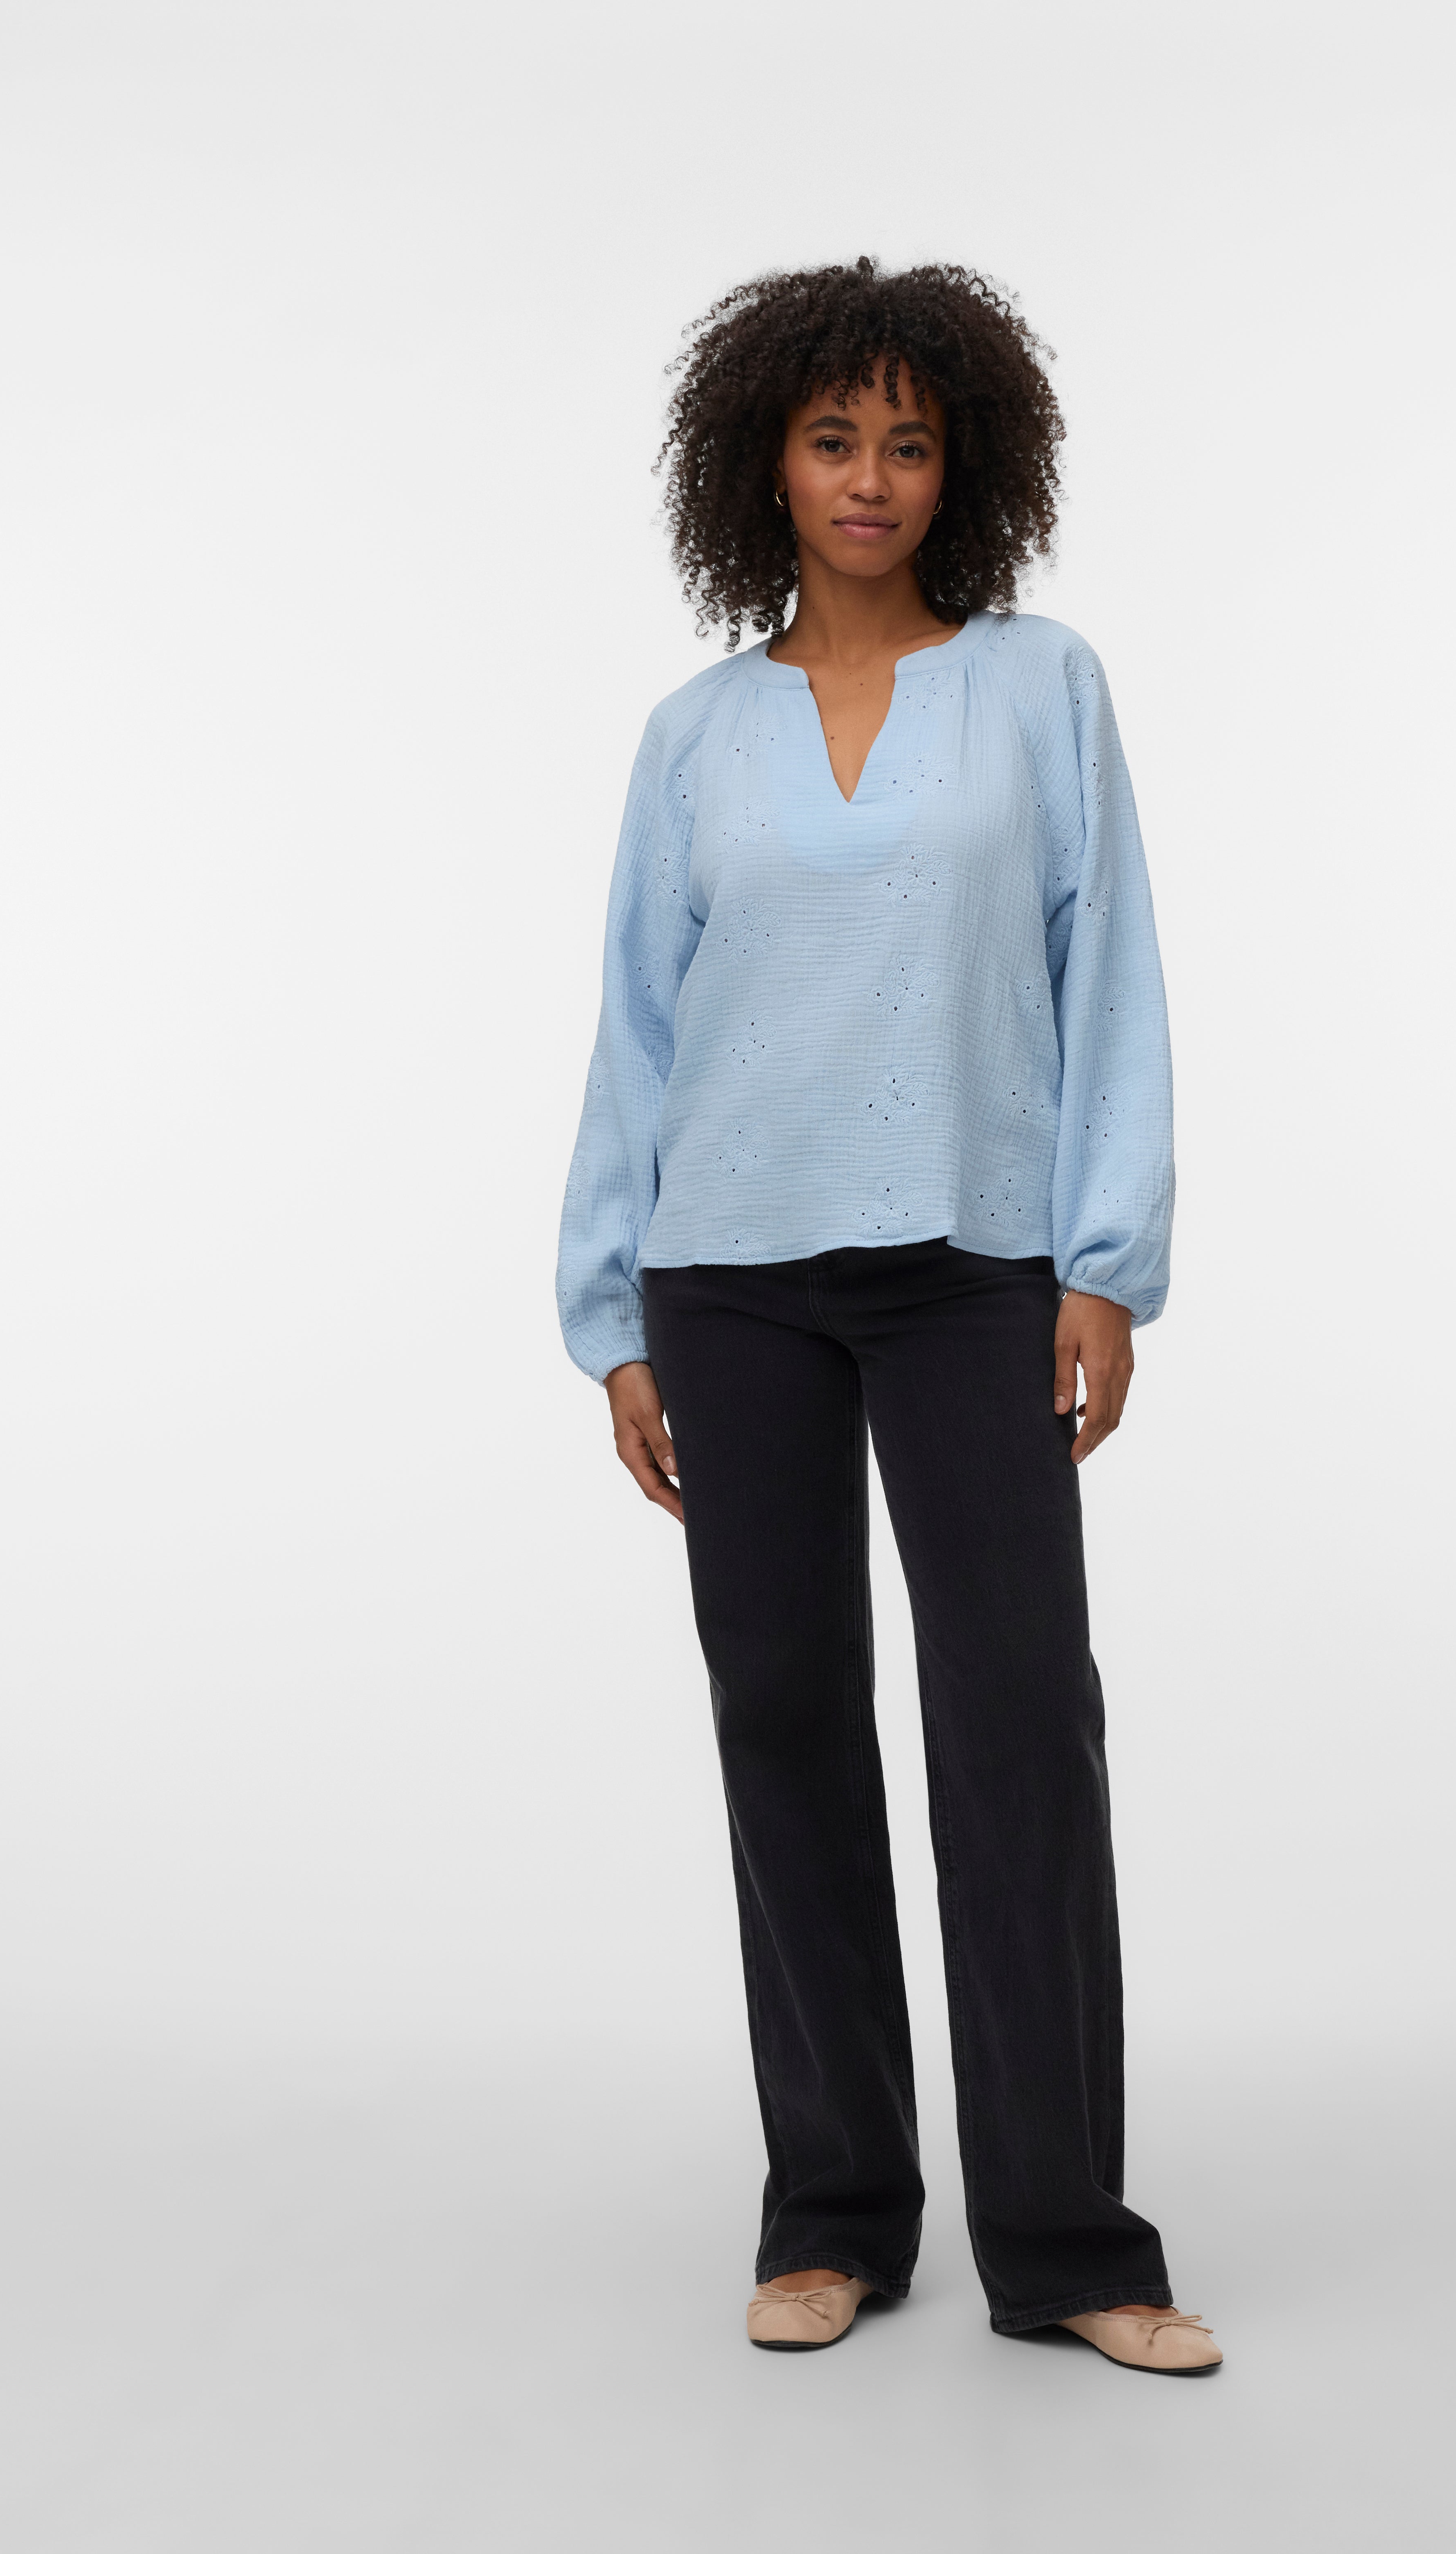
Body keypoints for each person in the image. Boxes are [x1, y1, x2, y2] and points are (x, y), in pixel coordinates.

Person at [556, 257, 1221, 2376]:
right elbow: (639, 1028)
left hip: (975, 1263)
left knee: (1021, 1720)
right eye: (834, 438)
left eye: (910, 442)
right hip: (729, 1275)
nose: (871, 477)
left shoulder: (1039, 690)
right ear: (765, 461)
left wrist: (1103, 1259)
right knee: (785, 1720)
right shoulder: (695, 738)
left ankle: (1071, 2239)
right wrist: (614, 1310)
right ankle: (835, 2206)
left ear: (965, 466)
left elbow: (1110, 972)